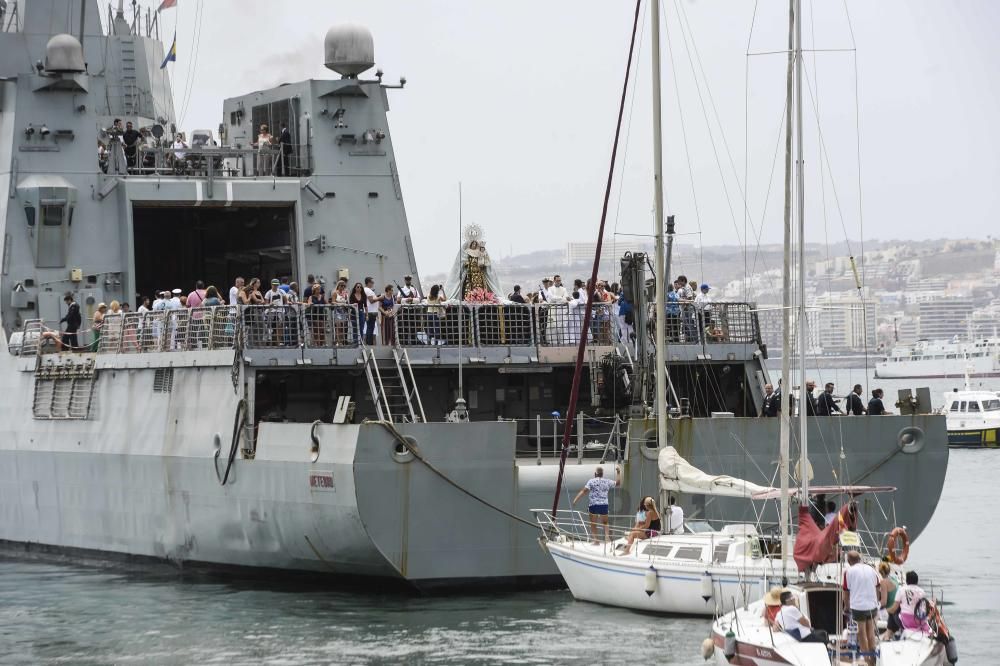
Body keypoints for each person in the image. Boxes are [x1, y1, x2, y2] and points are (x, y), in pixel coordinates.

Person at [843, 550, 880, 665]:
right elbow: (878, 587)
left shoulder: (848, 572)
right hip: (872, 605)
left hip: (858, 606)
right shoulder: (871, 569)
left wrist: (846, 606)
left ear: (849, 561)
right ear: (860, 559)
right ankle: (873, 657)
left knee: (861, 632)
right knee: (871, 630)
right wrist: (876, 601)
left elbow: (846, 591)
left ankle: (866, 659)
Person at [572, 465, 622, 543]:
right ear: (602, 474)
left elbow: (584, 491)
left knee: (593, 523)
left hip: (593, 505)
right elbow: (618, 483)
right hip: (604, 505)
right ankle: (607, 538)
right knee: (605, 523)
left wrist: (575, 500)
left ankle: (596, 540)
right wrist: (618, 472)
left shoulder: (591, 481)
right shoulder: (607, 481)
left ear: (595, 473)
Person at [878, 561, 901, 638]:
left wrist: (874, 605)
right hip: (897, 610)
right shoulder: (894, 579)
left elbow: (883, 602)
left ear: (880, 572)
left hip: (889, 612)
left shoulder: (884, 582)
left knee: (870, 614)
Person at [263, 278, 288, 346]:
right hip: (271, 312)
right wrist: (270, 305)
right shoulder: (268, 293)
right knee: (271, 328)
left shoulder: (281, 291)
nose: (275, 286)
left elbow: (286, 300)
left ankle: (278, 342)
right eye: (274, 285)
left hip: (280, 311)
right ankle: (273, 342)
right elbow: (266, 304)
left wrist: (286, 305)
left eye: (277, 285)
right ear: (271, 285)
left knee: (280, 327)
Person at [363, 277, 380, 345]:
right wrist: (380, 298)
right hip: (370, 312)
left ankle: (369, 343)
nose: (373, 284)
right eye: (372, 282)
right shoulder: (368, 290)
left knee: (370, 328)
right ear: (369, 283)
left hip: (370, 312)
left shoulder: (366, 290)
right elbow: (371, 301)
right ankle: (369, 343)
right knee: (370, 328)